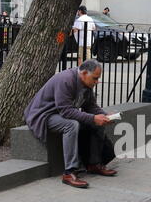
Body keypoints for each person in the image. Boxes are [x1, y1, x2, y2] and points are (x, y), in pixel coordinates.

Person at [24, 60, 117, 189]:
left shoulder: (87, 85)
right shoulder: (66, 80)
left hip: (60, 113)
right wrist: (93, 118)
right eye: (95, 78)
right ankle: (69, 173)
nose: (97, 82)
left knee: (96, 123)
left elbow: (90, 106)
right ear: (84, 73)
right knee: (71, 125)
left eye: (98, 79)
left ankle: (94, 164)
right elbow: (66, 111)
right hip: (43, 115)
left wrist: (105, 116)